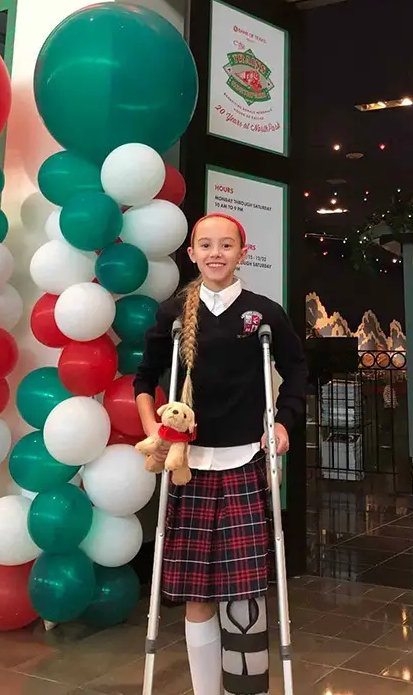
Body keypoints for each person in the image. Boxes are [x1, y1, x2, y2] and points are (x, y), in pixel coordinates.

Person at [134, 213, 307, 695]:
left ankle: (244, 688)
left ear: (242, 252)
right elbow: (145, 378)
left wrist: (282, 423)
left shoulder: (264, 313)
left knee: (243, 589)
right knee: (195, 591)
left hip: (246, 462)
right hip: (188, 467)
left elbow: (296, 372)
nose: (215, 253)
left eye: (226, 245)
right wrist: (155, 432)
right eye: (205, 245)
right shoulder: (173, 313)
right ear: (191, 254)